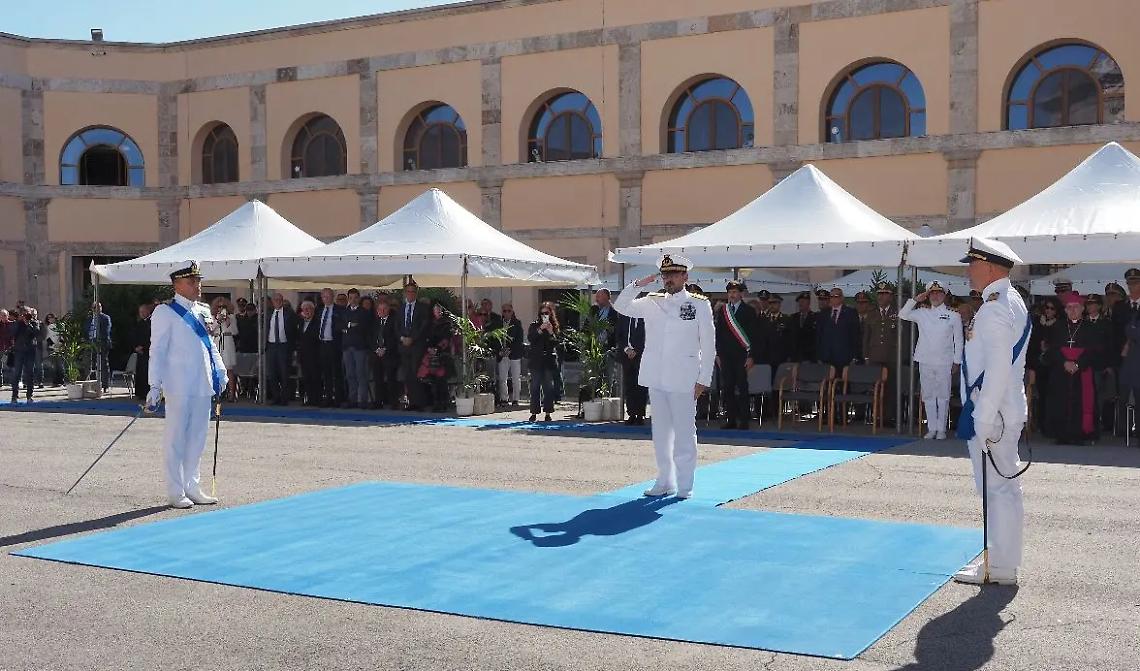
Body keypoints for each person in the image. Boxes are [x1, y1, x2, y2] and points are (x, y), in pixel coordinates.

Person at [953, 238, 1030, 586]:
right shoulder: (1010, 301)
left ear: (989, 266)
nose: (968, 271)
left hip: (993, 412)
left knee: (996, 489)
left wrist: (982, 418)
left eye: (972, 264)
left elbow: (998, 367)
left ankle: (997, 566)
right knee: (1004, 489)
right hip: (1002, 409)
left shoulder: (996, 307)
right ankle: (1001, 559)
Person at [614, 255, 715, 500]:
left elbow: (709, 344)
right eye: (665, 275)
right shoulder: (651, 300)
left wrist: (704, 378)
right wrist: (639, 284)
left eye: (673, 274)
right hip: (656, 375)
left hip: (684, 377)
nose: (668, 279)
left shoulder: (699, 304)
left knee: (684, 432)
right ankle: (664, 480)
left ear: (685, 277)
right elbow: (621, 306)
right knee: (661, 433)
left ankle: (685, 484)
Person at [147, 261, 227, 509]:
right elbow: (157, 350)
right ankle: (175, 490)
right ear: (177, 284)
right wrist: (154, 385)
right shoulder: (165, 312)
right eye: (191, 281)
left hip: (202, 383)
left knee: (197, 438)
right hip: (178, 384)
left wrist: (220, 371)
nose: (197, 285)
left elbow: (210, 345)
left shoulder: (202, 310)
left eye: (198, 280)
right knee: (176, 439)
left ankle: (193, 486)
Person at [900, 282, 962, 439]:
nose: (935, 296)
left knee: (943, 395)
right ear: (927, 296)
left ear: (944, 295)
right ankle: (931, 428)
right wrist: (915, 300)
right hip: (925, 359)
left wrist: (957, 361)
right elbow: (903, 314)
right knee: (927, 395)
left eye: (939, 293)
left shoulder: (953, 315)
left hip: (944, 361)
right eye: (932, 293)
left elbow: (959, 341)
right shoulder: (921, 312)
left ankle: (941, 429)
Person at [1044, 292, 1101, 444]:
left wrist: (1078, 364)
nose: (1072, 310)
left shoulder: (1090, 328)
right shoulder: (1058, 327)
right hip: (1061, 371)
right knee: (1060, 401)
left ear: (1082, 309)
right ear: (1065, 310)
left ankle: (1080, 434)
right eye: (1069, 307)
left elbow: (1093, 351)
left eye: (1076, 307)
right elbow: (1053, 349)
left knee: (1080, 402)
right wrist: (1064, 362)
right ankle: (1061, 434)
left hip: (1081, 371)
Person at [715, 280, 760, 430]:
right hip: (726, 356)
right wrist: (718, 355)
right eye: (730, 292)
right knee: (727, 388)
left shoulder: (749, 311)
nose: (732, 295)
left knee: (742, 387)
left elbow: (754, 335)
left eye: (735, 292)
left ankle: (744, 420)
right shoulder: (723, 311)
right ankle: (731, 419)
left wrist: (751, 356)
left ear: (741, 294)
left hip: (742, 355)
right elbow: (719, 334)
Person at [863, 283, 900, 425]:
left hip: (892, 356)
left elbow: (902, 335)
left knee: (890, 388)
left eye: (884, 294)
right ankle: (875, 416)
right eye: (879, 294)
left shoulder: (897, 313)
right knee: (875, 388)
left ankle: (888, 417)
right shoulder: (871, 314)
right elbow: (866, 336)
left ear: (891, 296)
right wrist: (866, 355)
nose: (881, 297)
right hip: (875, 356)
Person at [1029, 296, 1061, 436]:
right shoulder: (1037, 323)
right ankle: (1041, 424)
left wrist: (1048, 347)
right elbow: (1030, 346)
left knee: (1053, 396)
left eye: (1052, 308)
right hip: (1039, 365)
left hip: (1054, 366)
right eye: (1046, 308)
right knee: (1041, 396)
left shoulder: (1060, 324)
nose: (1048, 311)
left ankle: (1052, 425)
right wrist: (1030, 367)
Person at [338, 288, 374, 409]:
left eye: (355, 298)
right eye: (350, 298)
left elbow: (362, 327)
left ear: (358, 298)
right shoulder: (344, 311)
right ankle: (352, 399)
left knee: (361, 374)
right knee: (349, 374)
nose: (353, 300)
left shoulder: (364, 312)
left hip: (359, 347)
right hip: (347, 346)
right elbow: (339, 326)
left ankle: (362, 400)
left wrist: (348, 327)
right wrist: (350, 325)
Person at [398, 280, 431, 410]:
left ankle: (419, 403)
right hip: (403, 345)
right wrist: (402, 338)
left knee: (417, 373)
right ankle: (412, 402)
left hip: (417, 345)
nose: (410, 294)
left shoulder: (422, 308)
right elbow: (397, 326)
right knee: (408, 374)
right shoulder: (401, 308)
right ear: (405, 293)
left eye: (413, 292)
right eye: (408, 291)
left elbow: (423, 326)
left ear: (416, 293)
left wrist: (413, 338)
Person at [419, 303, 456, 413]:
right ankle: (436, 402)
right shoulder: (429, 324)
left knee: (441, 380)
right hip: (431, 354)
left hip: (443, 355)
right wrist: (429, 348)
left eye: (440, 310)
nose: (438, 312)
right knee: (433, 380)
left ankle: (443, 402)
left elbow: (447, 339)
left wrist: (438, 349)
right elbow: (425, 338)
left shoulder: (447, 323)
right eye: (436, 310)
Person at [527, 302, 561, 422]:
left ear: (550, 313)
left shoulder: (554, 326)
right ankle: (534, 412)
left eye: (546, 313)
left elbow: (556, 343)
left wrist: (551, 332)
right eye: (542, 313)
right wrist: (540, 329)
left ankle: (548, 412)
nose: (544, 315)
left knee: (548, 388)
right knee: (535, 387)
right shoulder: (534, 325)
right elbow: (531, 338)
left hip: (548, 361)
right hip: (536, 360)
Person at [816, 287, 862, 374]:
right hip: (826, 357)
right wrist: (819, 356)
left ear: (842, 298)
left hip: (844, 357)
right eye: (831, 296)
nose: (833, 299)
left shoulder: (850, 312)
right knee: (827, 384)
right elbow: (819, 335)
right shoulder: (824, 313)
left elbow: (855, 336)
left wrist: (855, 356)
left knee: (842, 384)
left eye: (836, 296)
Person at [264, 292, 298, 405]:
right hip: (271, 345)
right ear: (272, 302)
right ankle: (276, 397)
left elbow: (294, 331)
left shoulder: (289, 313)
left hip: (284, 346)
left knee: (284, 373)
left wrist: (292, 347)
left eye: (279, 300)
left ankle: (284, 398)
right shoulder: (269, 313)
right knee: (272, 374)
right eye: (275, 300)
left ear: (282, 301)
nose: (277, 302)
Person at [616, 308, 648, 425]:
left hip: (641, 356)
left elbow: (647, 337)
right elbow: (619, 336)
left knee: (641, 386)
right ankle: (631, 414)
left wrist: (637, 350)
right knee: (629, 386)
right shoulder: (624, 317)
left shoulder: (645, 318)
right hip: (627, 356)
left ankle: (640, 414)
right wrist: (626, 349)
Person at [370, 298, 401, 410]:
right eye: (380, 309)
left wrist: (385, 348)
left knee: (391, 379)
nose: (382, 312)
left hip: (390, 354)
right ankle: (378, 401)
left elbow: (395, 337)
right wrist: (376, 349)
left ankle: (393, 402)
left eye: (384, 309)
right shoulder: (375, 322)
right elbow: (371, 337)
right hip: (377, 354)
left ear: (388, 310)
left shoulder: (394, 321)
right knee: (378, 379)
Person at [314, 288, 342, 407]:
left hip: (334, 344)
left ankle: (338, 398)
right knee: (326, 373)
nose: (326, 298)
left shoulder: (339, 310)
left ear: (332, 297)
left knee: (336, 372)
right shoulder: (320, 310)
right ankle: (328, 397)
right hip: (323, 344)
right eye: (324, 296)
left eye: (328, 296)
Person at [496, 303, 525, 407]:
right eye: (505, 311)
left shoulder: (517, 323)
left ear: (512, 312)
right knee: (502, 378)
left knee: (516, 378)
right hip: (502, 355)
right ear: (502, 312)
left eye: (509, 311)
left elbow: (519, 340)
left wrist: (510, 350)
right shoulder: (498, 323)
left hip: (514, 354)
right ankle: (504, 398)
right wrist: (500, 351)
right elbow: (495, 340)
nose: (507, 313)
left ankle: (516, 399)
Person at [10, 308, 41, 403]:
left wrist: (29, 324)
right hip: (19, 351)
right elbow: (12, 333)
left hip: (30, 351)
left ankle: (29, 396)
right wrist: (20, 321)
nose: (25, 316)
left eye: (27, 314)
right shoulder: (17, 323)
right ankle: (14, 396)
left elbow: (37, 333)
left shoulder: (34, 322)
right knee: (17, 373)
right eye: (23, 314)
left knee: (30, 373)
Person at [212, 299, 239, 401]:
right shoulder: (213, 317)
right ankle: (217, 393)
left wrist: (228, 321)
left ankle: (231, 394)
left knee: (229, 369)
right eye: (219, 307)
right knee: (216, 369)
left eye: (223, 306)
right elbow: (211, 329)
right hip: (217, 341)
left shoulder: (232, 317)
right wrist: (218, 321)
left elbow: (235, 332)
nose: (221, 309)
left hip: (227, 342)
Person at [297, 300, 322, 406]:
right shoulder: (300, 322)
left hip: (315, 354)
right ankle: (309, 399)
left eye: (309, 309)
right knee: (306, 378)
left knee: (315, 377)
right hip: (303, 355)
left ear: (313, 310)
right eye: (305, 309)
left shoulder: (318, 322)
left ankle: (317, 399)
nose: (307, 311)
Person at [86, 302, 113, 391]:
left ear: (101, 308)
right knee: (92, 364)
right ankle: (94, 385)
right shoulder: (90, 319)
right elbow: (86, 329)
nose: (96, 309)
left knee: (103, 364)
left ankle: (105, 385)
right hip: (91, 343)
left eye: (98, 307)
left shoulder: (105, 318)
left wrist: (99, 340)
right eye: (94, 307)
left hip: (102, 343)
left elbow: (106, 331)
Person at [788, 291, 817, 363]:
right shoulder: (793, 317)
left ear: (809, 303)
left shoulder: (815, 317)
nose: (800, 303)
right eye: (799, 301)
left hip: (810, 356)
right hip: (795, 357)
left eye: (803, 301)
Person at [131, 304, 152, 402]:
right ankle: (140, 393)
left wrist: (144, 346)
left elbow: (151, 337)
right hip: (140, 352)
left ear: (148, 311)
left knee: (147, 373)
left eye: (143, 312)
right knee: (140, 373)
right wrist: (136, 347)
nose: (142, 314)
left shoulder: (152, 322)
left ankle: (148, 393)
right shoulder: (139, 323)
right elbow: (134, 336)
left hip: (148, 352)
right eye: (140, 312)